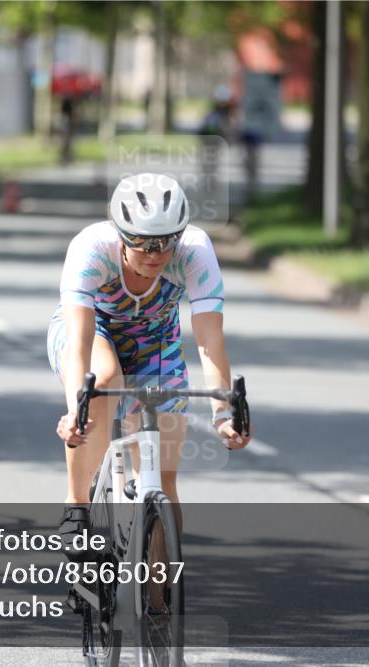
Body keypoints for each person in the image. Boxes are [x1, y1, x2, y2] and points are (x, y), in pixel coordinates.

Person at [48, 173, 251, 553]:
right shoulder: (91, 248)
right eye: (141, 242)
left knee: (162, 478)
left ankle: (161, 605)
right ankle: (77, 507)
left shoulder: (195, 251)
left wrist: (223, 413)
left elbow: (210, 341)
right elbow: (79, 342)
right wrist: (77, 407)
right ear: (120, 234)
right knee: (105, 377)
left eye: (165, 243)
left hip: (155, 341)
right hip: (96, 332)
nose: (154, 254)